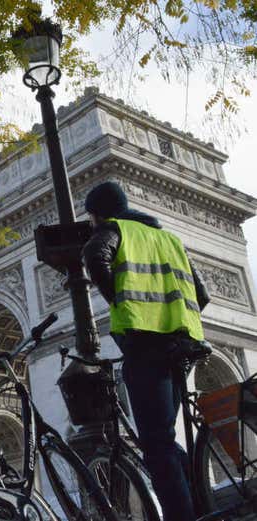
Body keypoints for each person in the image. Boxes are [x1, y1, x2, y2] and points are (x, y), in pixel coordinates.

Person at [82, 180, 209, 521]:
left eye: (90, 217)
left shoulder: (113, 230)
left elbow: (94, 258)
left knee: (156, 446)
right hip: (181, 345)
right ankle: (202, 508)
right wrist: (176, 319)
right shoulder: (168, 238)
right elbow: (203, 294)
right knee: (165, 439)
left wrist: (121, 301)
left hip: (145, 345)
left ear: (98, 214)